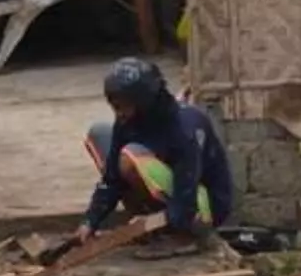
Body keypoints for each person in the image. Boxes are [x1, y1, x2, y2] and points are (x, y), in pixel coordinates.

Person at [73, 58, 236, 257]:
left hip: (200, 203)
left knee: (129, 157)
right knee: (99, 135)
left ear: (143, 102)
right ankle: (154, 222)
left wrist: (176, 222)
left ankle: (181, 235)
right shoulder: (128, 122)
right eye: (115, 106)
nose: (119, 113)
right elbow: (111, 179)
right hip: (169, 189)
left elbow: (187, 184)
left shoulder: (185, 125)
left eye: (123, 106)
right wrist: (90, 221)